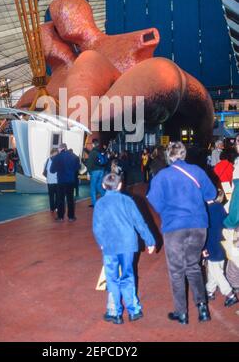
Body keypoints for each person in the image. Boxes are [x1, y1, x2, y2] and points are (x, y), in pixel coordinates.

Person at [147, 141, 217, 325]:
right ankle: (202, 308)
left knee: (177, 270)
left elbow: (153, 199)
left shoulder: (162, 176)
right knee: (193, 266)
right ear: (184, 154)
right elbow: (211, 195)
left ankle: (182, 313)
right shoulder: (197, 171)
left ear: (169, 156)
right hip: (198, 225)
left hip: (174, 227)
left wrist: (167, 212)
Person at [93, 173, 155, 324]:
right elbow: (139, 223)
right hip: (128, 244)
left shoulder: (100, 203)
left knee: (112, 278)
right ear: (120, 185)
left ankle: (115, 313)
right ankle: (134, 311)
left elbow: (97, 227)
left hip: (109, 245)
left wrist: (101, 241)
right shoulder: (128, 201)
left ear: (103, 186)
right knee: (128, 275)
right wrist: (150, 241)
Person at [203, 189, 238, 307]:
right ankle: (209, 290)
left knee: (216, 271)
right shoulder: (220, 208)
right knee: (216, 269)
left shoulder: (206, 211)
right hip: (222, 244)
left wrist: (203, 246)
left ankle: (229, 294)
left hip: (211, 245)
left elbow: (204, 231)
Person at [50, 143, 80, 222]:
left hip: (61, 181)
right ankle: (71, 217)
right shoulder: (74, 156)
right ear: (66, 148)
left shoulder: (57, 157)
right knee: (70, 199)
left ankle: (60, 217)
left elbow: (52, 170)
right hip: (70, 181)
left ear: (60, 149)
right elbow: (78, 168)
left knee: (60, 199)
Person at [86, 139, 106, 208]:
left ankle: (94, 203)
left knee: (93, 188)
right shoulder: (100, 151)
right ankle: (107, 197)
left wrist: (88, 173)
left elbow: (89, 163)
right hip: (102, 170)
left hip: (95, 171)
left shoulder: (92, 152)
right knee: (99, 186)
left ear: (93, 144)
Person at [43, 148, 58, 213]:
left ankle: (52, 208)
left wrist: (48, 177)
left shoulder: (47, 161)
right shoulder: (58, 160)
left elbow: (44, 171)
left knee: (52, 196)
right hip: (56, 181)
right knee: (57, 195)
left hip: (50, 181)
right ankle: (55, 207)